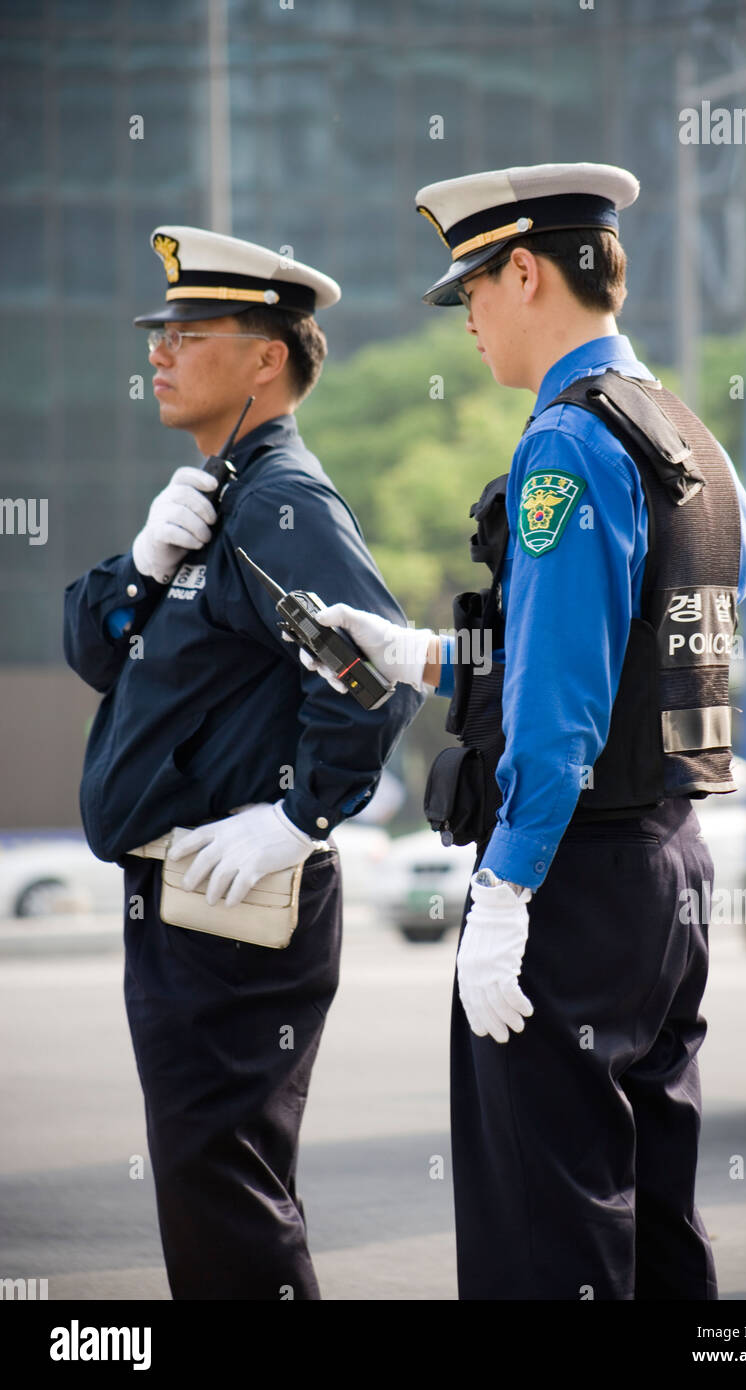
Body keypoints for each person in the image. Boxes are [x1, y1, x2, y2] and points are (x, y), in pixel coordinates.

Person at [299, 163, 746, 1301]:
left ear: (523, 269)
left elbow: (559, 721)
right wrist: (425, 653)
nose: (470, 324)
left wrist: (504, 892)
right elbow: (633, 650)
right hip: (667, 869)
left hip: (570, 879)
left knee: (544, 1236)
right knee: (655, 1226)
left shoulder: (565, 441)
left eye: (472, 295)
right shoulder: (691, 441)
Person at [62, 225, 423, 1300]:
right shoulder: (217, 500)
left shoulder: (278, 504)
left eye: (188, 332)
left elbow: (374, 673)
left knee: (224, 1195)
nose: (158, 353)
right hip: (186, 902)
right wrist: (140, 562)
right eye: (158, 334)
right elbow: (94, 653)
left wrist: (303, 816)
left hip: (231, 902)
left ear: (267, 358)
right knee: (207, 1186)